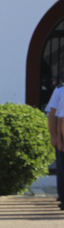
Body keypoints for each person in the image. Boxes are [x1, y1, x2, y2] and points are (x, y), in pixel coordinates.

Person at [47, 81, 64, 209]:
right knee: (62, 170)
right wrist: (55, 136)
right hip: (62, 135)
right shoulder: (60, 91)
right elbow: (54, 115)